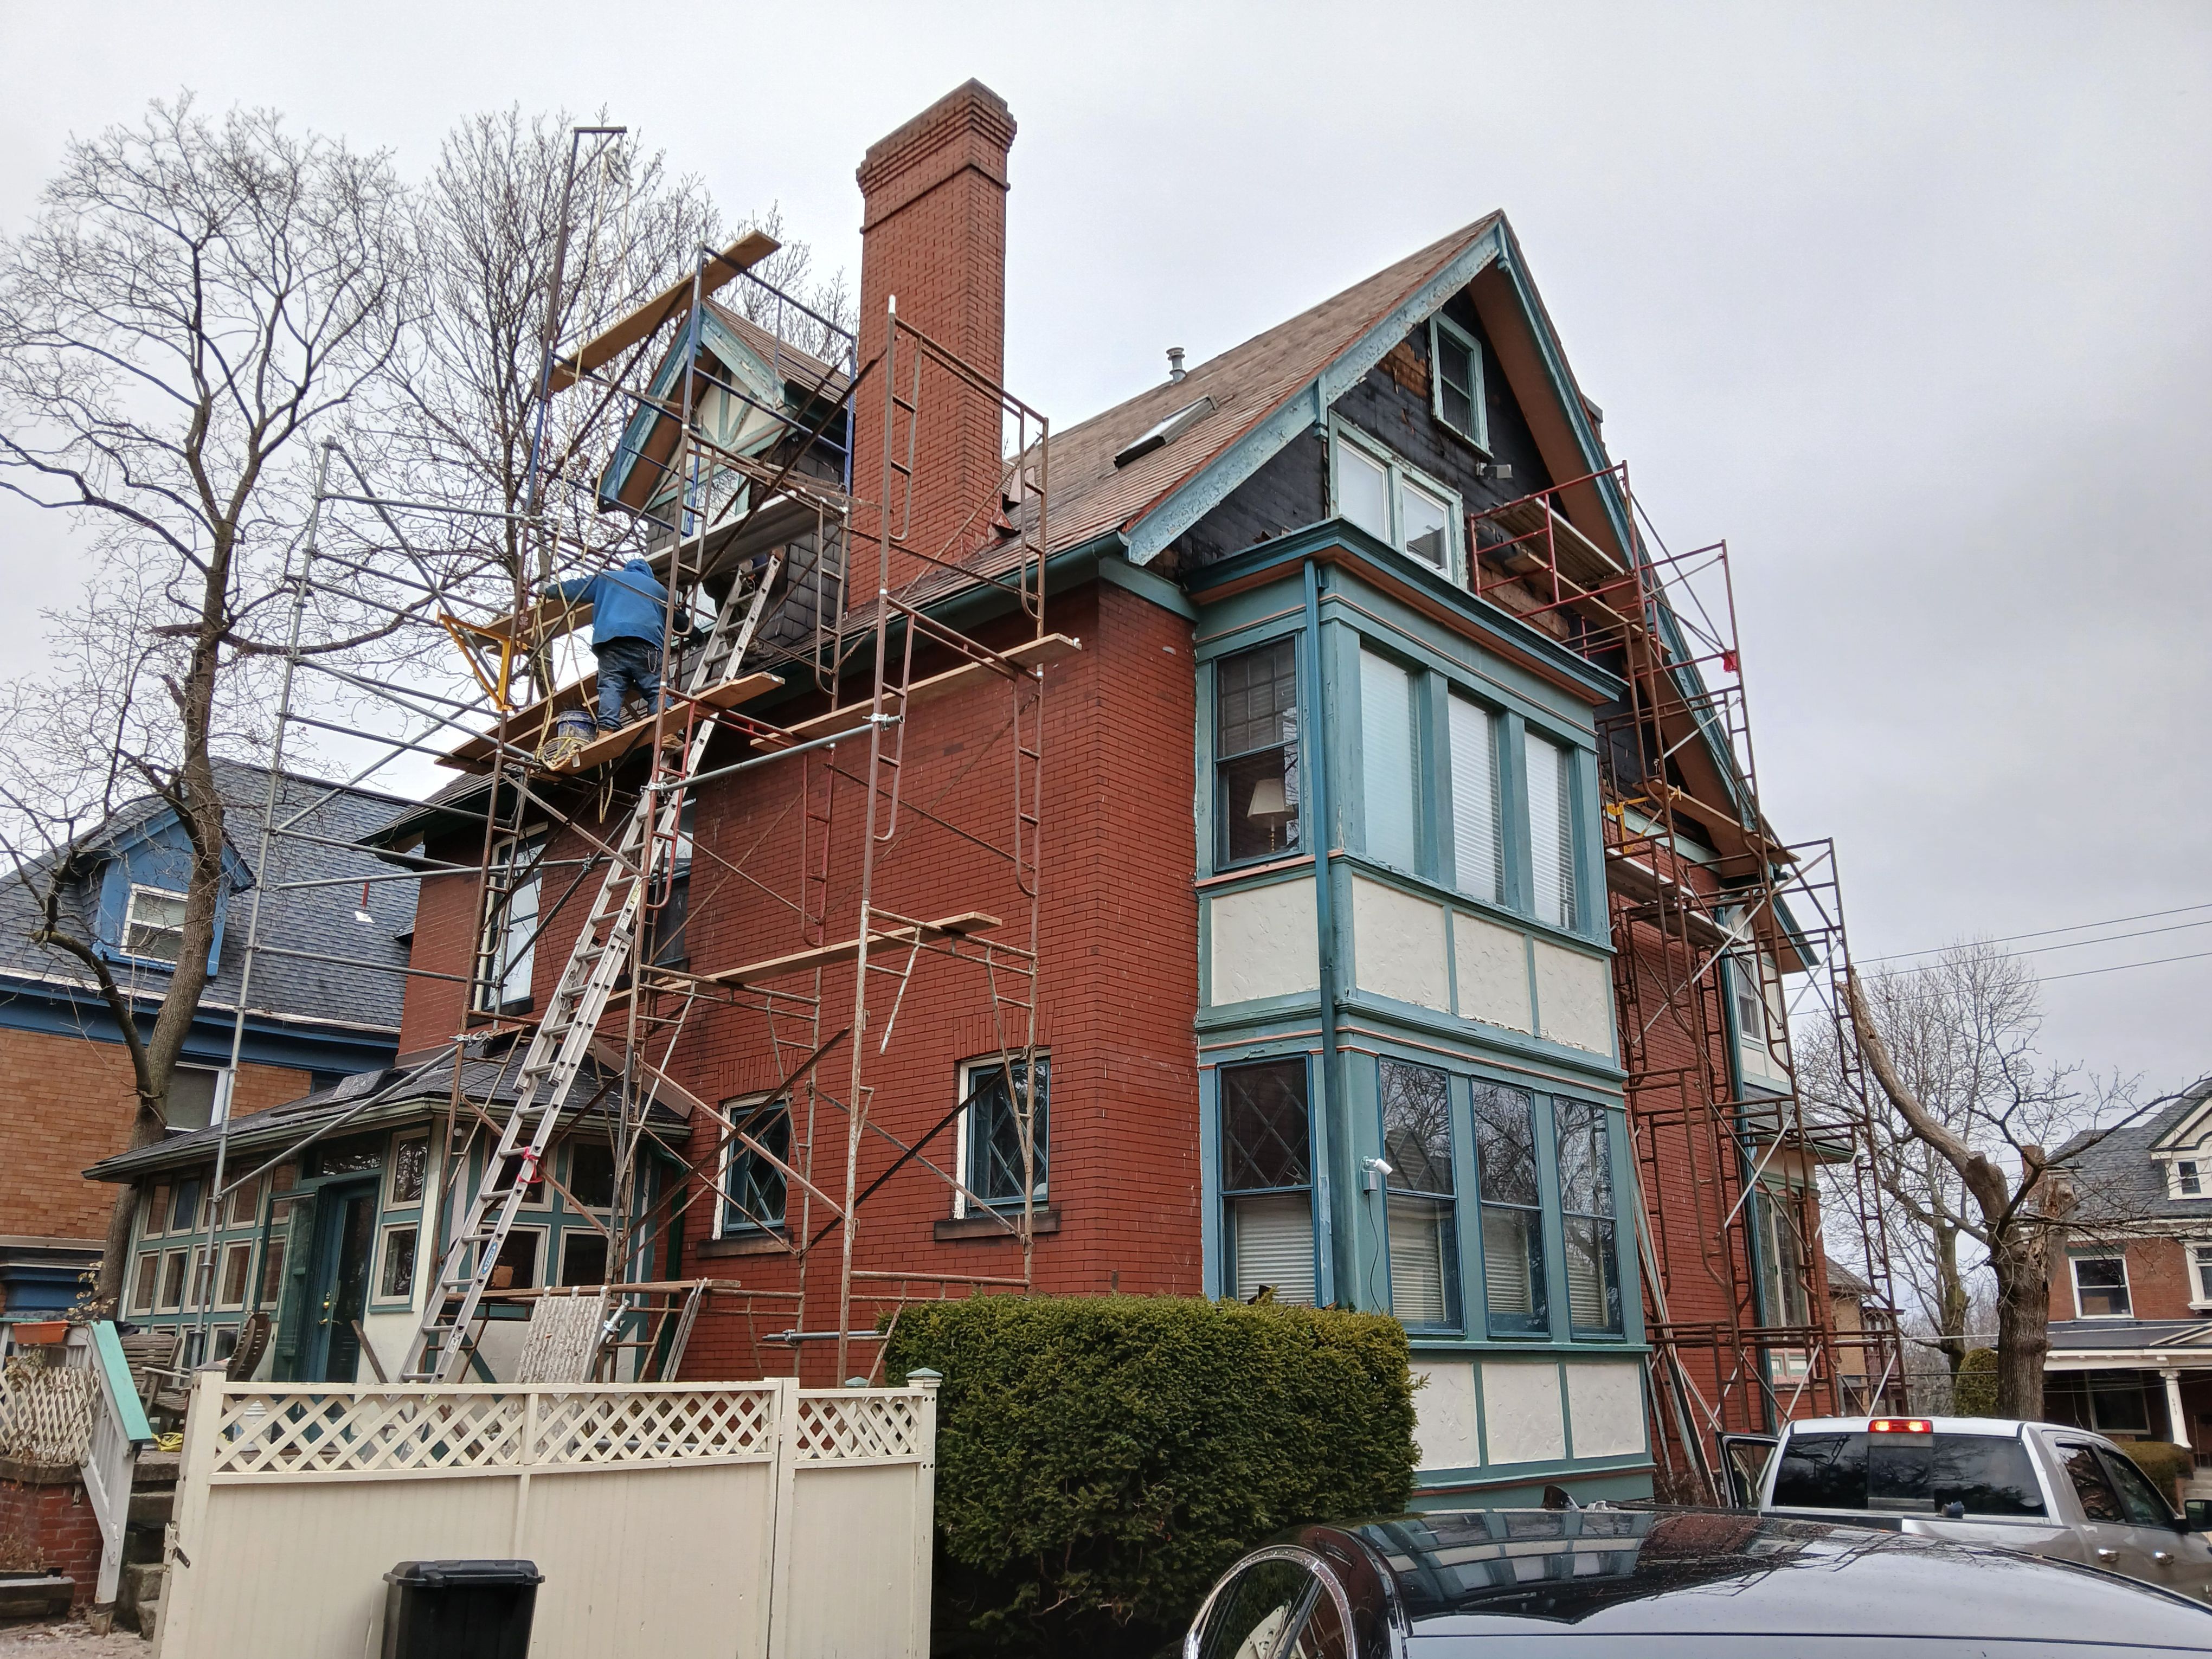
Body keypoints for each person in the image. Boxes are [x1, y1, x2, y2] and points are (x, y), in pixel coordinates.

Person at [545, 558, 676, 733]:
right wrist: (696, 634)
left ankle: (606, 730)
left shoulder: (608, 579)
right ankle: (666, 733)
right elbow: (679, 619)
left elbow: (577, 588)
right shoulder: (658, 589)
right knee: (657, 689)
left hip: (611, 642)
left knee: (611, 685)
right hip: (647, 643)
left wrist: (549, 590)